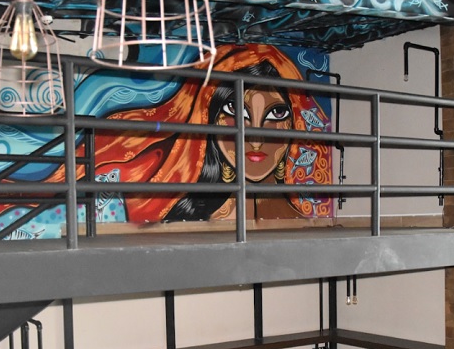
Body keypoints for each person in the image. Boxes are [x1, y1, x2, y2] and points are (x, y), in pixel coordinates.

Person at [89, 44, 333, 222]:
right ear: (210, 117)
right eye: (235, 111)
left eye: (276, 114)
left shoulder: (307, 226)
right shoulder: (185, 219)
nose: (256, 140)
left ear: (294, 122)